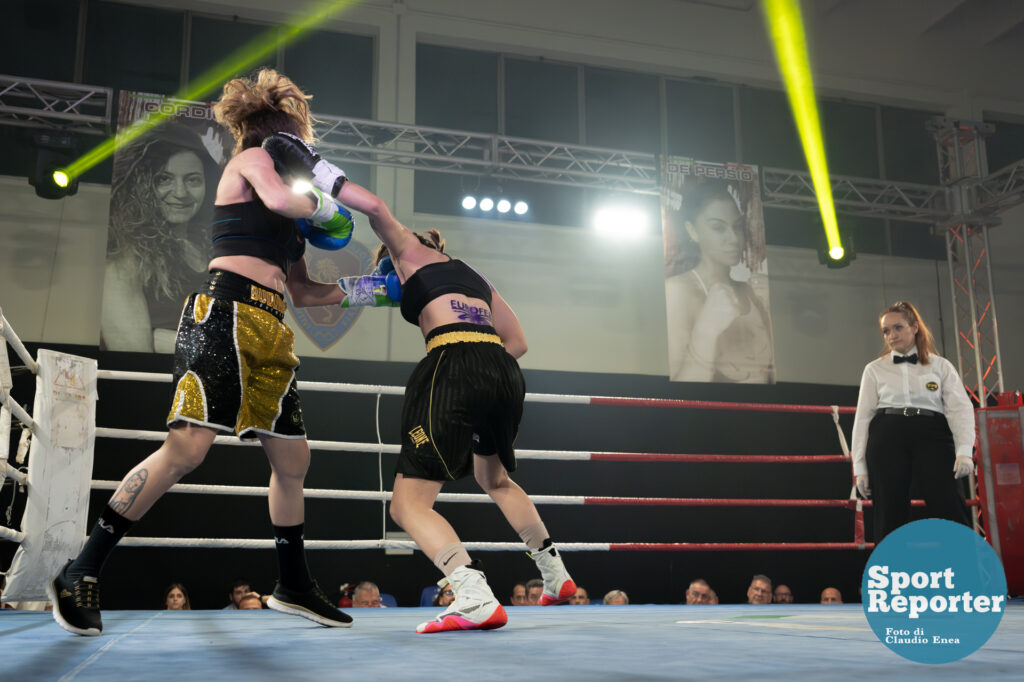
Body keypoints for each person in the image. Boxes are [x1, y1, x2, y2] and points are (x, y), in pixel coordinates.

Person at [47, 69, 399, 637]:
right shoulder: (253, 161)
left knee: (294, 463)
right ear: (283, 136)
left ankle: (292, 583)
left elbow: (305, 291)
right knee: (186, 450)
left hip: (271, 327)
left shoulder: (286, 222)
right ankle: (82, 568)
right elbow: (289, 197)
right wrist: (327, 199)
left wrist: (373, 290)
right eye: (299, 143)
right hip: (225, 316)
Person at [259, 137, 577, 632]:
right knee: (495, 479)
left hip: (454, 361)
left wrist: (315, 169)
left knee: (408, 504)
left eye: (390, 261)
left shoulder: (406, 250)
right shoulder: (469, 276)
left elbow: (373, 208)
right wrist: (296, 244)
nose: (389, 270)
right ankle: (555, 575)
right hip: (503, 371)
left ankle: (471, 593)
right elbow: (517, 341)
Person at [851, 301, 975, 542]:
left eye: (897, 328)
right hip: (888, 434)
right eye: (886, 331)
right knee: (889, 509)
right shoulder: (874, 369)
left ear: (915, 327)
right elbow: (863, 417)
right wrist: (859, 467)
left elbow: (960, 409)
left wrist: (964, 451)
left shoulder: (941, 366)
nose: (891, 335)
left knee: (948, 502)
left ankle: (965, 567)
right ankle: (890, 573)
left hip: (932, 434)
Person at [102, 120, 225, 353]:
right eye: (164, 179)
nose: (180, 193)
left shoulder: (213, 249)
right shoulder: (125, 256)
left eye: (193, 180)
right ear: (142, 186)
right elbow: (132, 353)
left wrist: (161, 338)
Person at [664, 179, 773, 383]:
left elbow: (768, 376)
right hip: (708, 414)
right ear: (692, 231)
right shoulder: (678, 291)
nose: (733, 238)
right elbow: (681, 391)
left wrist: (769, 310)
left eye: (737, 226)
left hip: (763, 412)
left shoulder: (750, 291)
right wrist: (706, 330)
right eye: (718, 227)